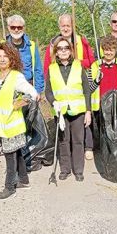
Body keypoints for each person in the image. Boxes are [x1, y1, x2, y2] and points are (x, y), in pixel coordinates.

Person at [0, 42, 39, 200]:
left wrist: (22, 102)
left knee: (10, 157)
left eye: (6, 56)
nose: (2, 59)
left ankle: (9, 187)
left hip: (13, 125)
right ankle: (24, 180)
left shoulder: (16, 77)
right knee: (16, 154)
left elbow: (33, 94)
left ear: (12, 59)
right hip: (3, 126)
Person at [45, 36, 92, 181]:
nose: (63, 51)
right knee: (63, 141)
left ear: (71, 51)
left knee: (78, 141)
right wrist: (53, 102)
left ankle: (78, 170)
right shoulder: (51, 69)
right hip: (61, 112)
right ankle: (65, 169)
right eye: (60, 48)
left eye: (66, 48)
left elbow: (86, 90)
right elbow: (48, 91)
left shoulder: (78, 66)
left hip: (78, 111)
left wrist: (88, 112)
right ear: (56, 52)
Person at [85, 36, 117, 153]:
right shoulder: (95, 66)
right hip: (100, 106)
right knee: (103, 132)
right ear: (102, 50)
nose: (108, 52)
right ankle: (105, 155)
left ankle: (116, 154)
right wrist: (96, 81)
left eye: (111, 49)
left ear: (115, 50)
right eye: (106, 49)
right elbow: (89, 90)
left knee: (116, 132)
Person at [4, 15, 44, 94]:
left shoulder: (31, 46)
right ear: (8, 28)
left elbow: (38, 70)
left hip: (28, 88)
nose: (16, 30)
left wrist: (38, 91)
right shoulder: (3, 45)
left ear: (24, 28)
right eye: (13, 27)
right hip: (9, 89)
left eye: (19, 27)